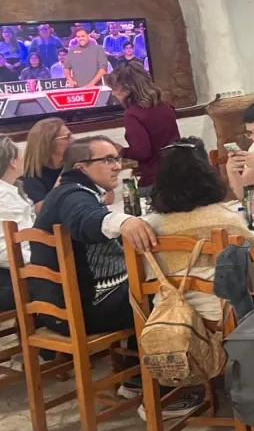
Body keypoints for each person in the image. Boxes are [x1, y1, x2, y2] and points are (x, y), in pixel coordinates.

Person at [31, 137, 157, 336]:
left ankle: (135, 359)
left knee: (151, 287)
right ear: (82, 168)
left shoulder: (72, 191)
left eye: (117, 159)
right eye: (108, 160)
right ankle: (149, 362)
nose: (117, 167)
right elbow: (85, 220)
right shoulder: (72, 194)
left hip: (67, 305)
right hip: (83, 308)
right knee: (169, 295)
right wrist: (123, 221)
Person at [144, 138, 254, 322]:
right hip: (222, 316)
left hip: (168, 318)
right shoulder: (225, 221)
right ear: (207, 174)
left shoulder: (148, 227)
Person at [104, 63, 180, 189]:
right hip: (178, 173)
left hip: (156, 180)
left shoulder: (133, 114)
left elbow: (142, 152)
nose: (112, 93)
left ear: (127, 89)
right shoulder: (166, 106)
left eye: (114, 88)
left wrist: (122, 151)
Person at [0, 136, 34, 311]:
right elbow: (5, 252)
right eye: (21, 155)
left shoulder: (11, 190)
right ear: (12, 162)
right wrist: (41, 261)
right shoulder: (3, 196)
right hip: (8, 278)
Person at [21, 118, 72, 211]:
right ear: (49, 143)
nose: (73, 140)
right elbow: (41, 210)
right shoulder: (30, 176)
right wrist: (67, 170)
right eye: (67, 137)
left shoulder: (78, 165)